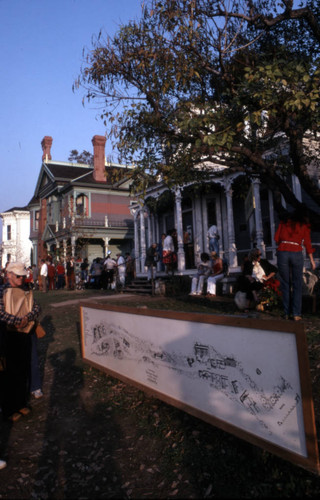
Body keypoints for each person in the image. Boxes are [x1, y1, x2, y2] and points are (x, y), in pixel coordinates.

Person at [0, 262, 41, 421]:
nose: (22, 278)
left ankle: (21, 403)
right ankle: (9, 408)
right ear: (8, 275)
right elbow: (1, 312)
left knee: (23, 369)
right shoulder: (2, 291)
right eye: (18, 275)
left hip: (24, 335)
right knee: (9, 371)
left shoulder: (27, 290)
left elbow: (37, 308)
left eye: (23, 276)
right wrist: (16, 320)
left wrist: (26, 319)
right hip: (7, 335)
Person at [275, 208, 316, 321]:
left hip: (283, 251)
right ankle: (296, 313)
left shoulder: (284, 222)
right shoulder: (304, 225)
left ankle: (286, 312)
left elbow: (277, 238)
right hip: (296, 252)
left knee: (285, 284)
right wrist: (312, 260)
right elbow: (307, 243)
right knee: (297, 283)